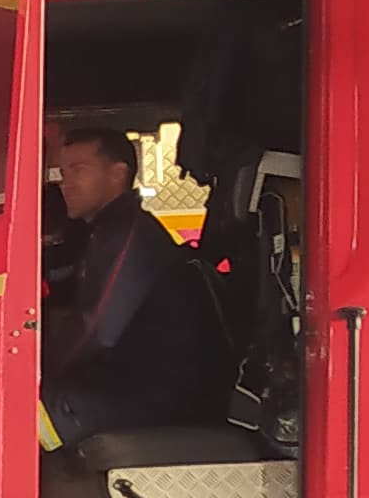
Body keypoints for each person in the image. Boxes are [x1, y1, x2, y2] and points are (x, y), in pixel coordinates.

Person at [39, 127, 231, 446]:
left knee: (20, 420)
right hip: (130, 382)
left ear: (117, 175)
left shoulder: (129, 236)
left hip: (156, 395)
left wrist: (36, 371)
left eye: (78, 170)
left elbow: (95, 328)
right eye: (62, 172)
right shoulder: (101, 232)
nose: (64, 183)